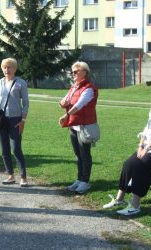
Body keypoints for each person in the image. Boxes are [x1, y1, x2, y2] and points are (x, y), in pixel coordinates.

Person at [103, 80, 151, 216]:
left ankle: (135, 205)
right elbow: (146, 130)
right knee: (128, 164)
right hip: (149, 147)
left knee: (140, 167)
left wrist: (146, 149)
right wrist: (141, 146)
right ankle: (119, 199)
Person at [0, 58, 29, 187]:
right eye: (4, 67)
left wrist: (23, 121)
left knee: (16, 149)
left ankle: (23, 177)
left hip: (15, 119)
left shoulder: (20, 83)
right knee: (4, 149)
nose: (7, 70)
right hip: (1, 119)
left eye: (9, 67)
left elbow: (25, 104)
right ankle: (10, 175)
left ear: (15, 69)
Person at [58, 61, 98, 194]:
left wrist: (66, 115)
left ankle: (85, 182)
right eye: (72, 71)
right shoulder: (74, 87)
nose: (73, 74)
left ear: (85, 72)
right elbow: (66, 100)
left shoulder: (89, 88)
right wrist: (62, 103)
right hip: (74, 125)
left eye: (76, 71)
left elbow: (79, 105)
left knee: (85, 154)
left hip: (84, 125)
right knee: (78, 154)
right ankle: (79, 179)